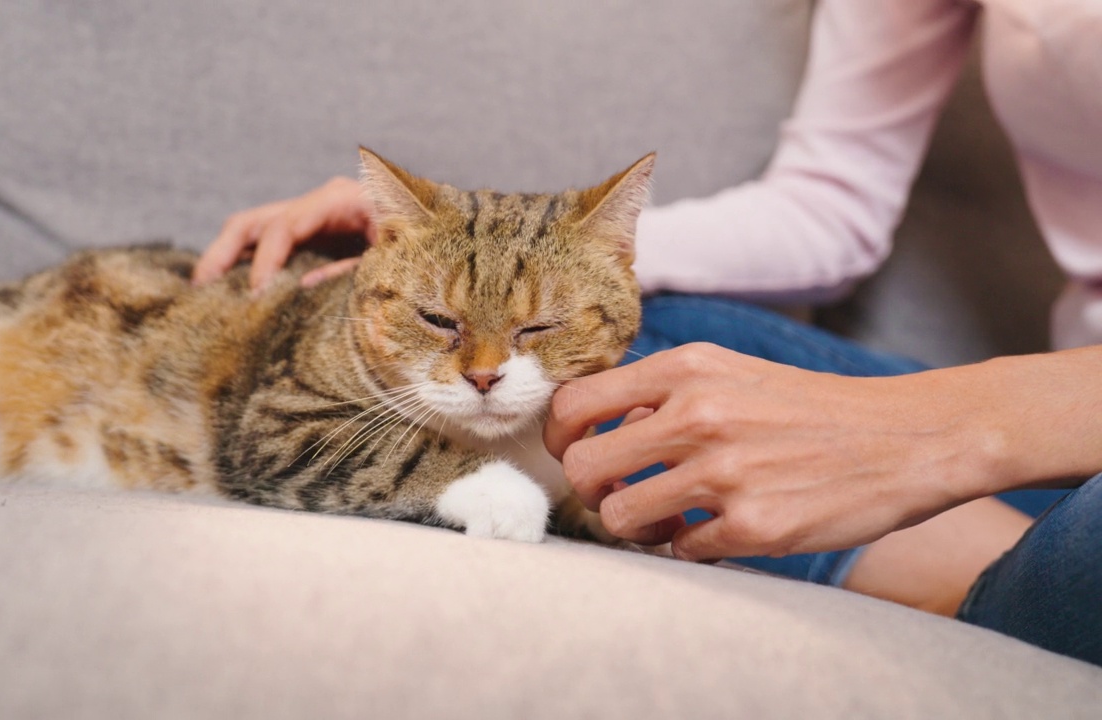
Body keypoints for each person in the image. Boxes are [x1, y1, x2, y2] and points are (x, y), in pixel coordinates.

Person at [193, 1, 1102, 665]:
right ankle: (1020, 567)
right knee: (647, 363)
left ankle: (995, 579)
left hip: (1051, 416)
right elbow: (833, 207)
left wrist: (956, 433)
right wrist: (487, 259)